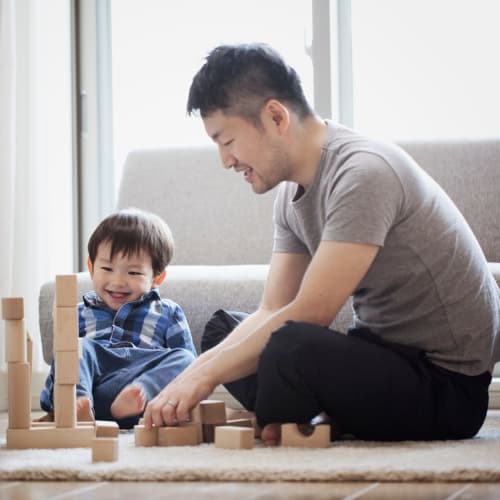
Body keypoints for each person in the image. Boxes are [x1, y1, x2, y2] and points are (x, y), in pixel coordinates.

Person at [143, 43, 500, 442]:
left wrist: (206, 376)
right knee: (223, 330)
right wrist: (191, 375)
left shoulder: (363, 172)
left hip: (446, 386)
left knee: (289, 347)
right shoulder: (289, 195)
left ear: (275, 116)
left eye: (227, 142)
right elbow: (273, 308)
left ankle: (299, 414)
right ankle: (307, 413)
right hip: (384, 357)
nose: (225, 161)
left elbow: (312, 313)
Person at [40, 208, 196, 428]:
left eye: (133, 273)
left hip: (139, 395)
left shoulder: (167, 312)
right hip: (94, 390)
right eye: (107, 268)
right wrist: (53, 399)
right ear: (91, 268)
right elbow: (62, 363)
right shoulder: (77, 312)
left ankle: (141, 391)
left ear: (157, 277)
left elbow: (188, 371)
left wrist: (149, 389)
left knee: (187, 359)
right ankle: (77, 404)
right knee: (75, 348)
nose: (118, 281)